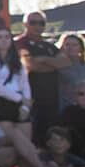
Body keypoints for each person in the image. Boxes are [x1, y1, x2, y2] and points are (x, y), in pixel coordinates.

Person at [0, 24, 44, 167]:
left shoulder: (18, 61)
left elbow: (25, 84)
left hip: (20, 104)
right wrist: (19, 99)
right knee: (9, 146)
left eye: (7, 37)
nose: (3, 40)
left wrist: (26, 105)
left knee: (25, 147)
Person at [15, 11, 68, 139]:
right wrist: (52, 64)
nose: (37, 26)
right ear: (25, 24)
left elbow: (65, 62)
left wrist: (43, 59)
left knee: (50, 133)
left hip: (51, 98)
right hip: (30, 98)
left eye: (41, 23)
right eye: (33, 22)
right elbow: (30, 65)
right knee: (32, 134)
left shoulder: (49, 45)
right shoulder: (18, 43)